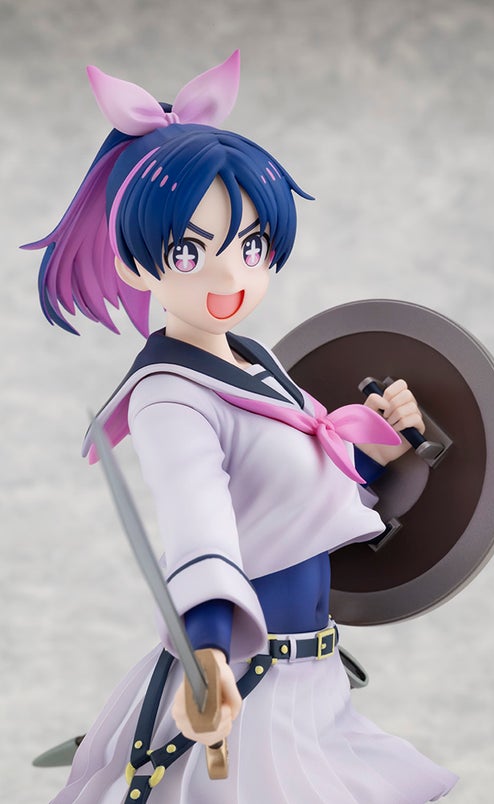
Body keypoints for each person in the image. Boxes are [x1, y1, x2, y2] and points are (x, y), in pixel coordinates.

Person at [25, 52, 458, 803]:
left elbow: (307, 492)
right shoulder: (169, 397)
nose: (229, 278)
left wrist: (385, 444)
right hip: (245, 690)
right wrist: (208, 656)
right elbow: (198, 527)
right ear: (136, 265)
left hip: (314, 683)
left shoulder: (259, 365)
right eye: (190, 251)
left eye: (250, 246)